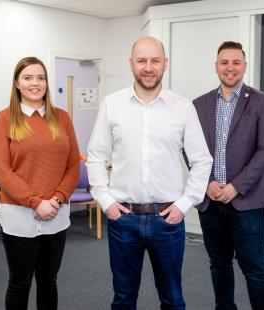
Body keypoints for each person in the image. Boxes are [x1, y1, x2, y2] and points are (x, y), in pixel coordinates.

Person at [87, 36, 213, 310]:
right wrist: (107, 203)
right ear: (131, 64)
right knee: (123, 298)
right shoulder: (112, 104)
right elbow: (95, 157)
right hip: (124, 219)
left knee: (172, 299)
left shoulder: (182, 107)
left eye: (155, 60)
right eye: (141, 60)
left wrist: (183, 204)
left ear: (165, 64)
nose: (148, 67)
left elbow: (202, 161)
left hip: (167, 220)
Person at [193, 41, 264, 310]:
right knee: (218, 264)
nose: (230, 68)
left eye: (236, 62)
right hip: (210, 202)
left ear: (244, 66)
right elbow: (190, 148)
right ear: (216, 66)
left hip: (247, 202)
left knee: (254, 269)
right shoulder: (199, 104)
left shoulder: (261, 101)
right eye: (224, 62)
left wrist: (235, 187)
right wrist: (207, 184)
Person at [0, 57, 80, 310]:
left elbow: (73, 164)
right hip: (19, 213)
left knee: (48, 281)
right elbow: (2, 171)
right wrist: (35, 202)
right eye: (28, 78)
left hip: (56, 211)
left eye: (41, 78)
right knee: (20, 283)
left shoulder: (61, 118)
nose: (35, 83)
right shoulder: (5, 118)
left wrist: (58, 198)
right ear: (17, 83)